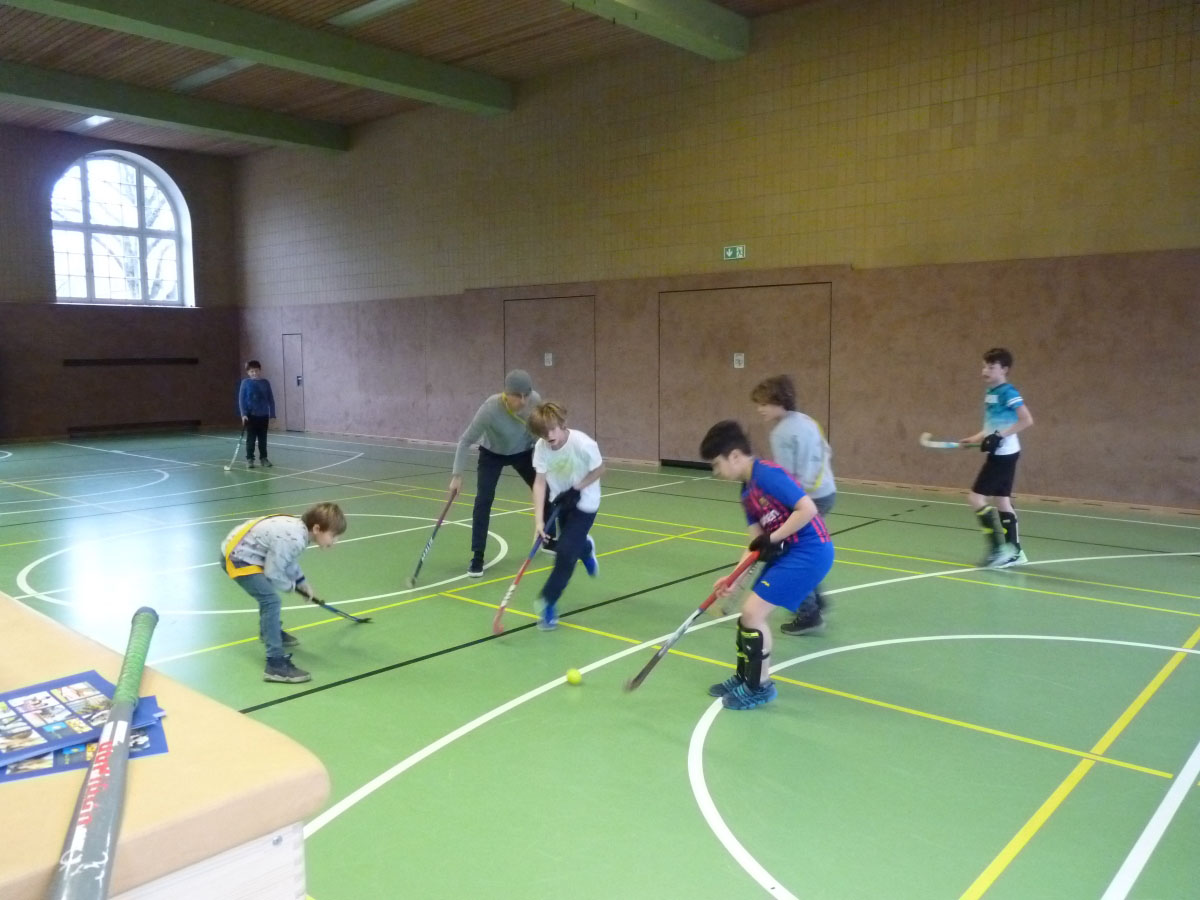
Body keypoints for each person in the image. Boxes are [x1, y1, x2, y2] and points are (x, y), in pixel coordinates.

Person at [700, 420, 835, 710]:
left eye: (716, 464)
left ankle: (759, 687)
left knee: (753, 613)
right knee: (748, 616)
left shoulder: (768, 475)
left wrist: (772, 538)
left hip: (810, 551)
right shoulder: (746, 492)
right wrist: (733, 579)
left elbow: (808, 509)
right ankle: (745, 677)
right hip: (787, 552)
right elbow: (755, 543)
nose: (716, 471)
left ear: (735, 456)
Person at [220, 502, 347, 683]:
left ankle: (269, 632)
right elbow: (273, 574)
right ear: (317, 528)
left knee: (268, 598)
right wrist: (293, 587)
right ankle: (275, 664)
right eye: (333, 535)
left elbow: (286, 559)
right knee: (271, 600)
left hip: (243, 550)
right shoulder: (294, 538)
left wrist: (301, 582)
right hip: (238, 557)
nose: (335, 541)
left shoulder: (298, 532)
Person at [751, 374, 836, 636]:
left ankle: (809, 614)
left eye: (764, 404)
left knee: (793, 553)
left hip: (808, 498)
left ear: (779, 401)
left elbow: (786, 479)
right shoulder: (807, 421)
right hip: (827, 491)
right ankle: (816, 599)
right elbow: (827, 451)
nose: (760, 409)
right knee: (806, 547)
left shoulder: (781, 433)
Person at [449, 370, 555, 577]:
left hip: (522, 452)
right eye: (517, 396)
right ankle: (477, 556)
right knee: (483, 500)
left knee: (547, 491)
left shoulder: (535, 401)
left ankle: (549, 539)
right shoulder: (490, 409)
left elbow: (540, 431)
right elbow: (465, 441)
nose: (523, 401)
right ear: (506, 394)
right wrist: (457, 475)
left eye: (526, 395)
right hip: (492, 454)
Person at [527, 402, 604, 630]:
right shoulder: (541, 447)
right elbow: (539, 483)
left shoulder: (583, 444)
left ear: (562, 424)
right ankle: (586, 549)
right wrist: (539, 522)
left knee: (565, 553)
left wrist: (577, 488)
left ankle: (548, 601)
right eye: (543, 432)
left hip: (586, 502)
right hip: (561, 502)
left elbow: (600, 469)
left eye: (552, 429)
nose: (548, 436)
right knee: (572, 545)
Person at [960, 347, 1034, 567]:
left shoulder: (1008, 392)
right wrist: (974, 439)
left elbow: (1026, 420)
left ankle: (997, 550)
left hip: (1004, 455)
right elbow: (991, 427)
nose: (985, 371)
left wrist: (999, 436)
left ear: (1004, 369)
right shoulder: (991, 392)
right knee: (1002, 501)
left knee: (975, 498)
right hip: (1003, 453)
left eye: (991, 367)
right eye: (984, 366)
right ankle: (1015, 552)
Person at [238, 360, 276, 468]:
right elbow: (241, 400)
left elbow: (271, 399)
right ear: (248, 372)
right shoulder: (245, 383)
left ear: (260, 370)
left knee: (263, 439)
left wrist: (272, 414)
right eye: (252, 371)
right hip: (250, 416)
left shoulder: (265, 382)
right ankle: (250, 459)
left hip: (263, 416)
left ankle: (264, 458)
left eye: (256, 371)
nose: (254, 373)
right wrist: (243, 414)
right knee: (251, 439)